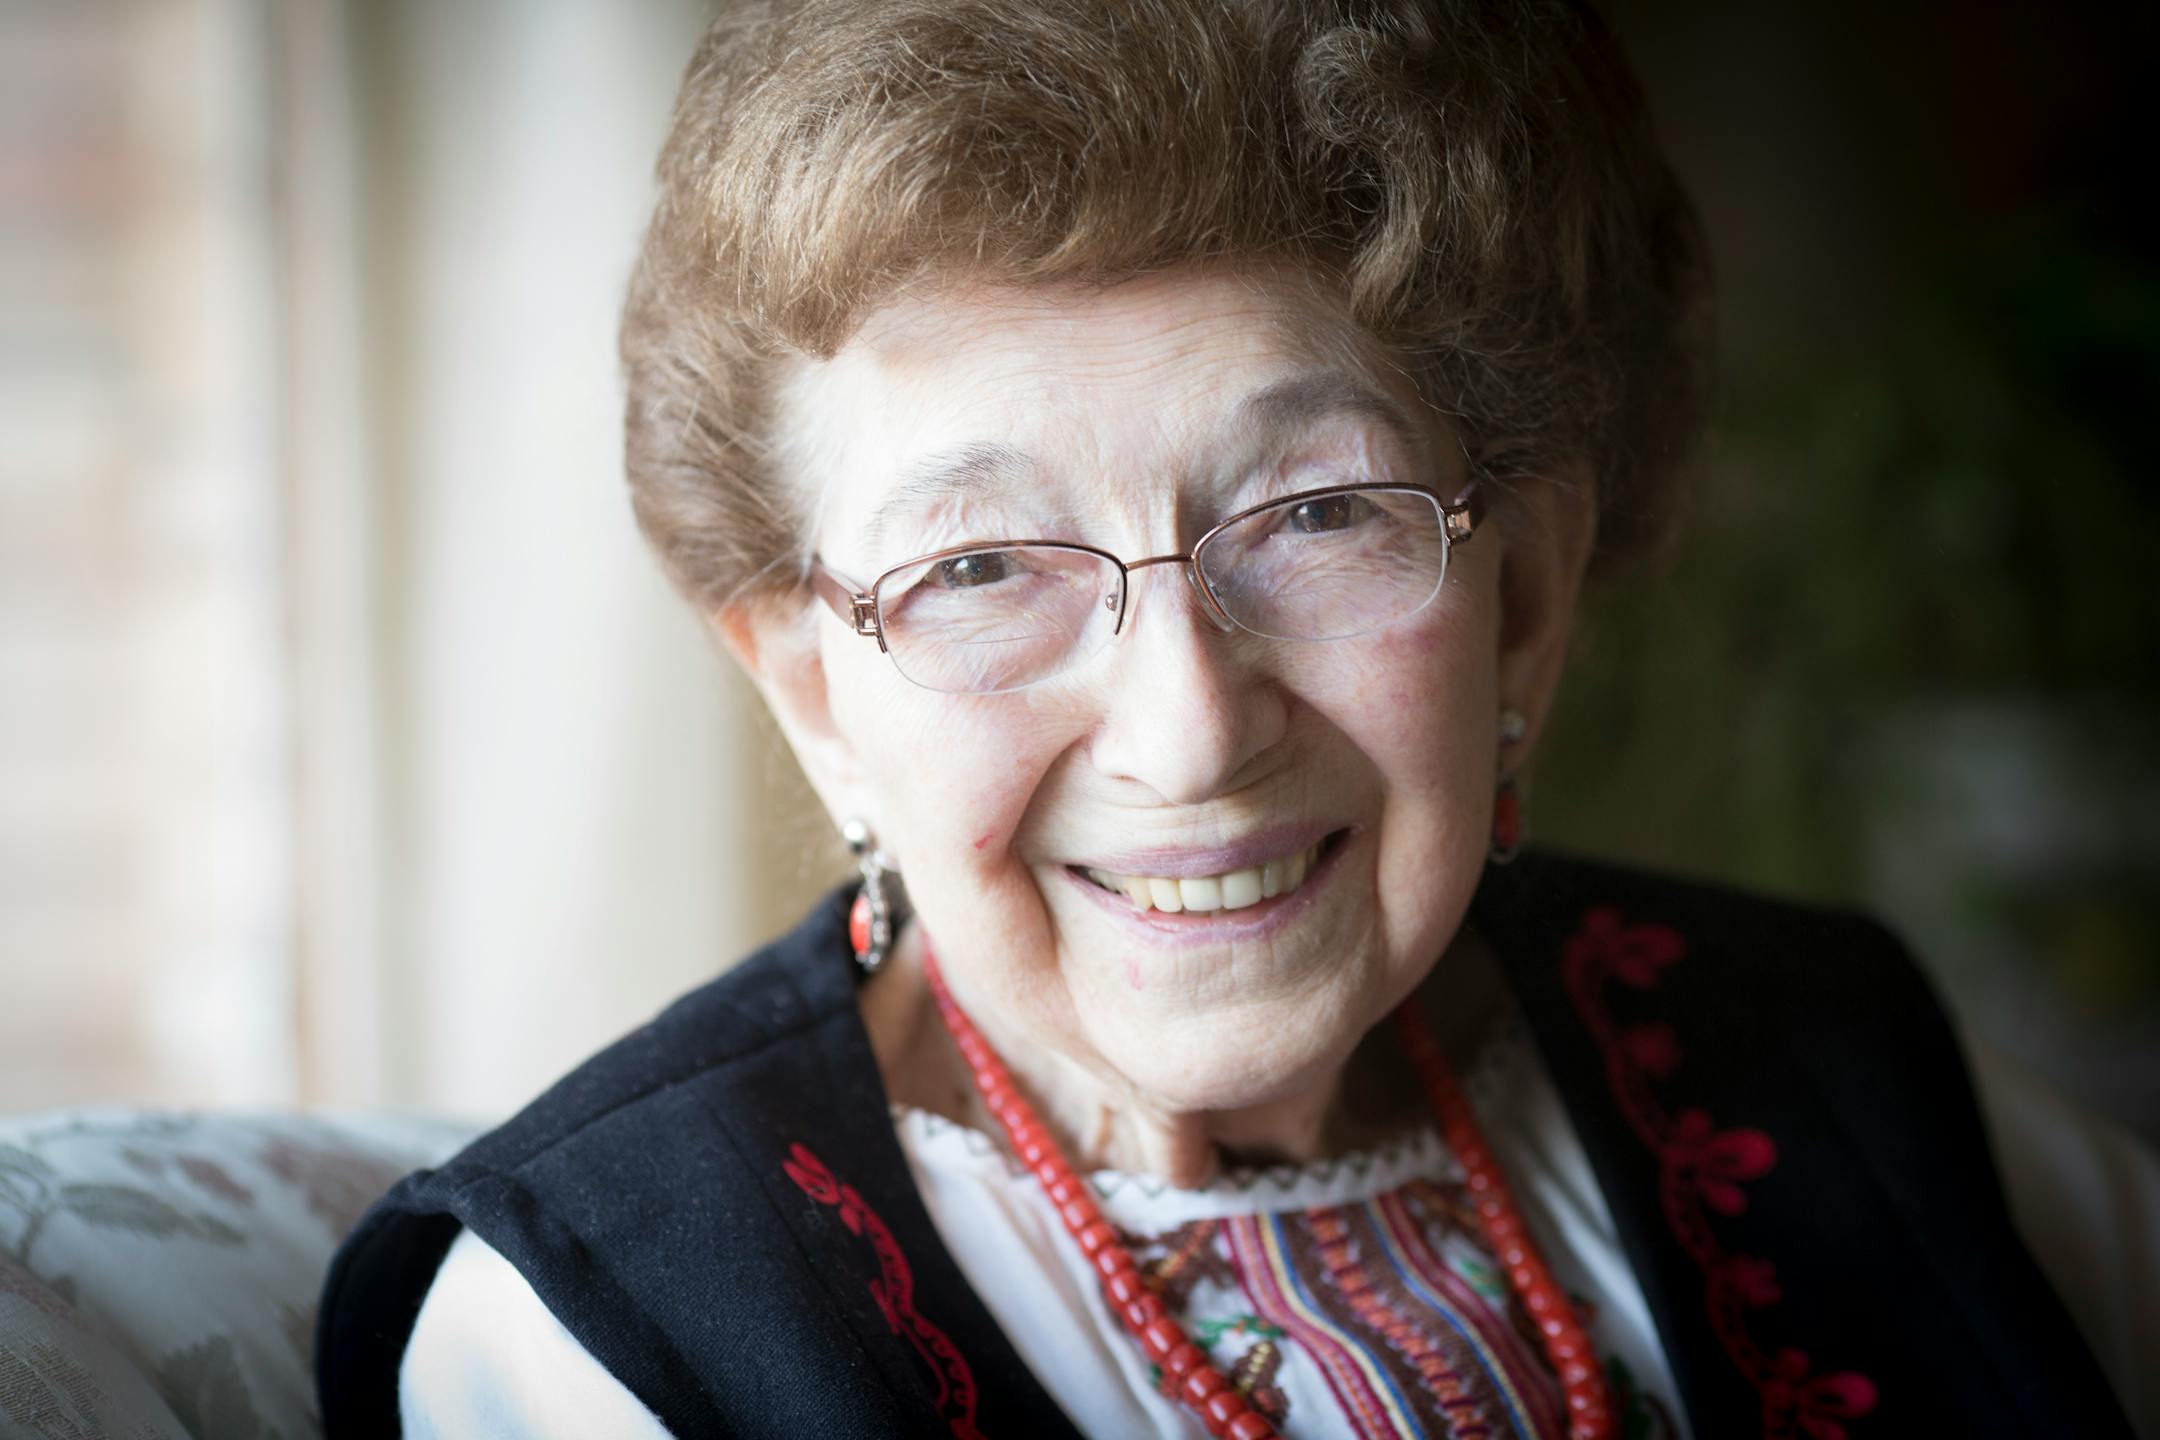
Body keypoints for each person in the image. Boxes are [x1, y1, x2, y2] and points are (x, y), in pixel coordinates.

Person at [316, 1, 2155, 1436]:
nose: (1188, 734)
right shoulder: (598, 1353)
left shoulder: (1848, 1070)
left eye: (1318, 515)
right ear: (814, 693)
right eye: (978, 569)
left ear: (1523, 600)